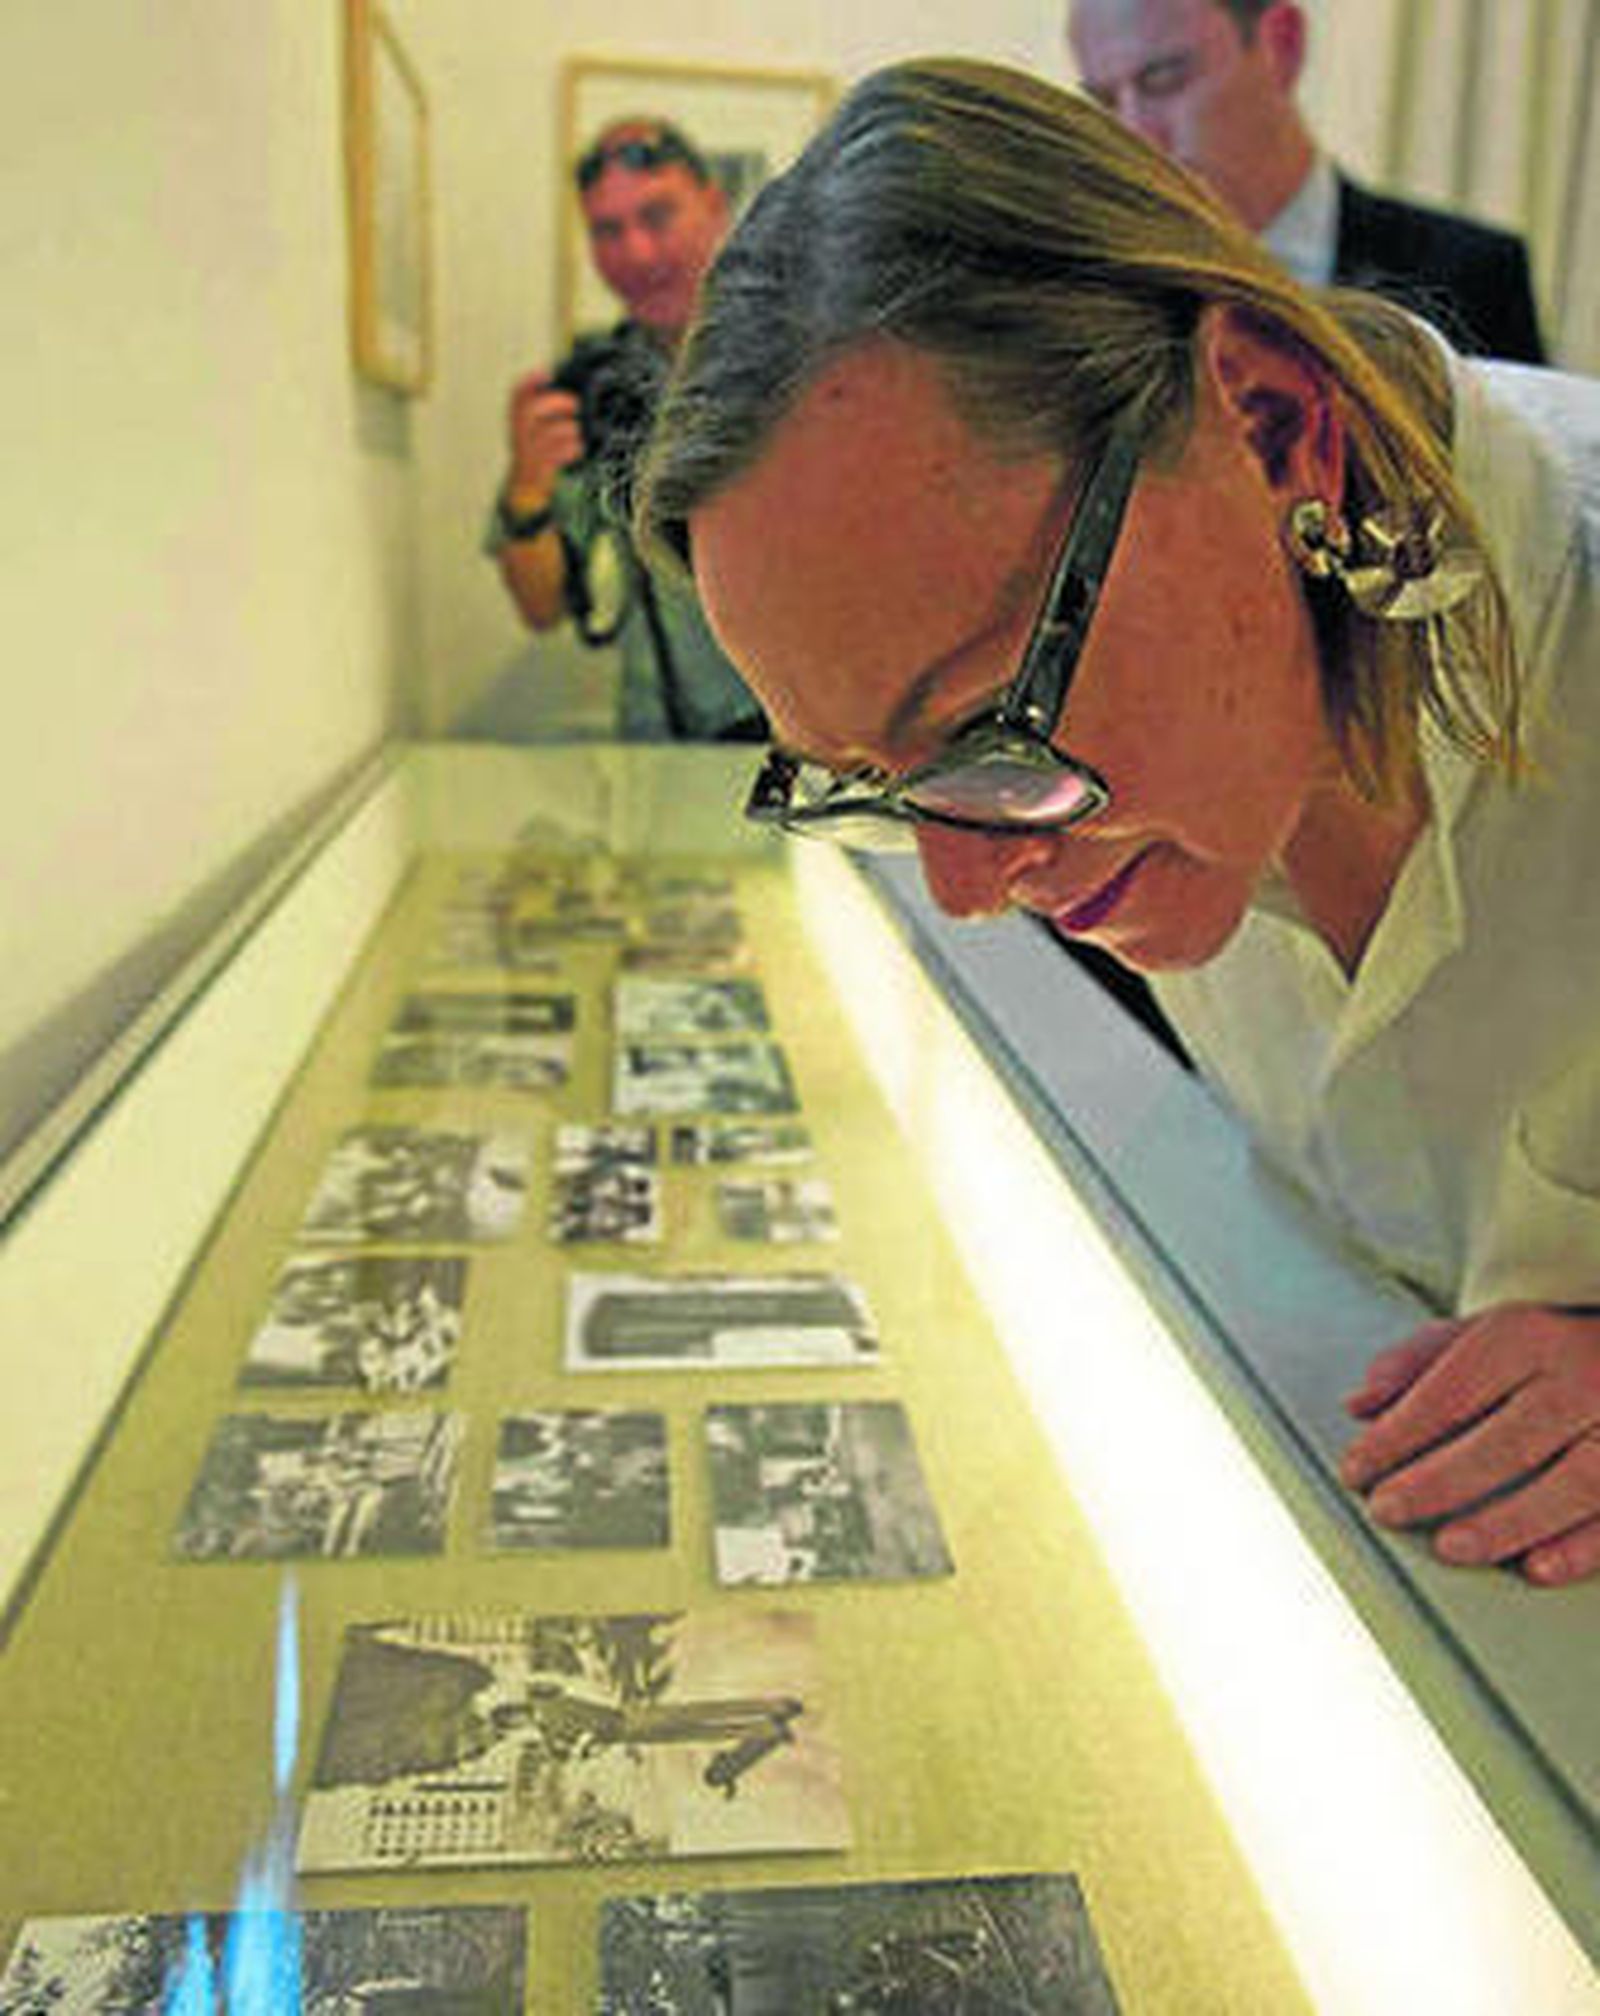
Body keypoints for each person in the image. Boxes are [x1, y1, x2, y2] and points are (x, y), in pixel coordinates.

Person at [636, 59, 1600, 1587]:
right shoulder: (1193, 726)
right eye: (875, 784)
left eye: (983, 723)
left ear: (1276, 424)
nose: (969, 887)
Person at [485, 118, 766, 741]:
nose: (637, 252)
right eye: (608, 230)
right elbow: (541, 607)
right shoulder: (593, 391)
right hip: (664, 753)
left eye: (658, 215)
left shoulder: (803, 359)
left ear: (714, 207)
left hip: (823, 749)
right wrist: (528, 489)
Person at [1067, 0, 1546, 364]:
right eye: (1105, 102)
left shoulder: (1471, 276)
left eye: (1164, 79)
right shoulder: (1095, 299)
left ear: (1283, 45)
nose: (1135, 135)